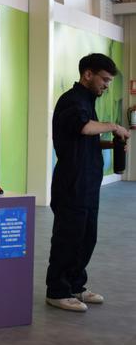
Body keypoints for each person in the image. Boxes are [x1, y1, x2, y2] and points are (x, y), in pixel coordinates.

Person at [45, 53, 130, 312]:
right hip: (72, 182)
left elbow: (85, 138)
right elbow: (83, 128)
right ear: (87, 74)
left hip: (88, 183)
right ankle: (57, 291)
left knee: (86, 237)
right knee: (68, 237)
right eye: (104, 79)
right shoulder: (72, 101)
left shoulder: (87, 102)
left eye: (109, 81)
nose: (106, 85)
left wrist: (109, 143)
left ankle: (75, 286)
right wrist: (114, 127)